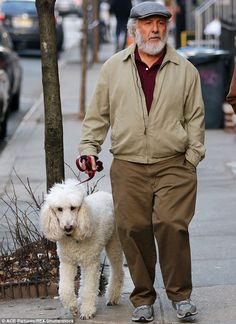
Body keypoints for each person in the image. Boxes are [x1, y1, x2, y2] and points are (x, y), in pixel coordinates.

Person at [77, 1, 205, 322]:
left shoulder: (185, 70)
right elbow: (98, 115)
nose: (154, 30)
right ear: (134, 29)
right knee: (133, 229)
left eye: (160, 23)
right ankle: (143, 298)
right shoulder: (113, 68)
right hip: (128, 165)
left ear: (167, 27)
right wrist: (89, 148)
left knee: (171, 226)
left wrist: (192, 157)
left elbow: (195, 119)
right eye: (147, 24)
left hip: (174, 164)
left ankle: (180, 296)